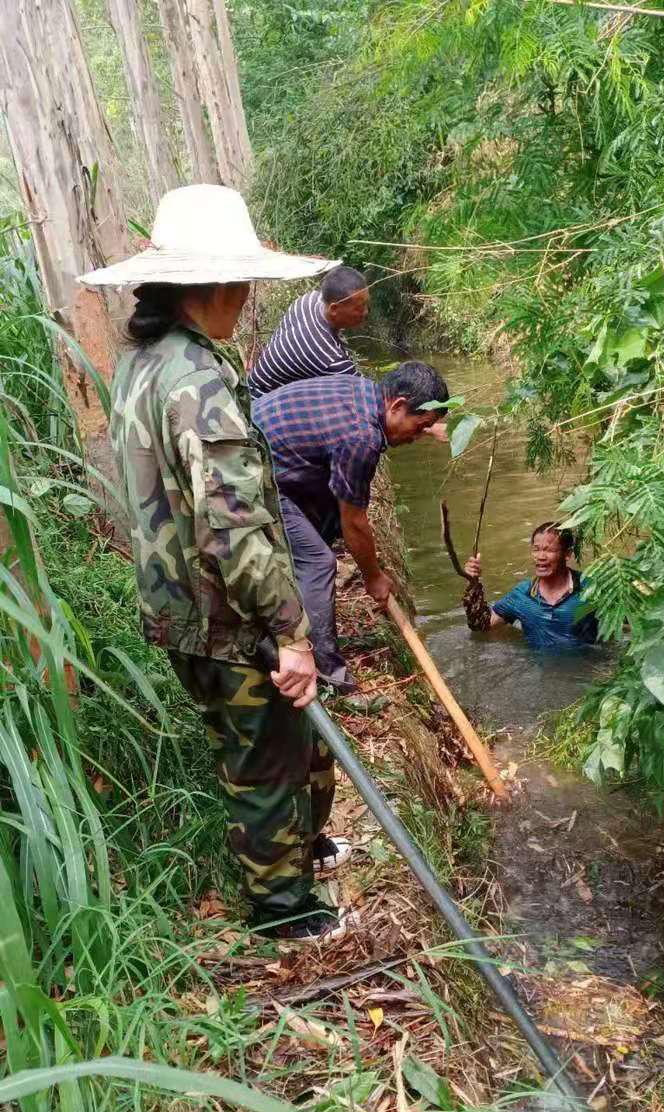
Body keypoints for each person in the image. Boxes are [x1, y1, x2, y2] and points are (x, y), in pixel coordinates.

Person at [80, 183, 354, 942]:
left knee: (266, 747)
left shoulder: (144, 362)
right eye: (244, 284)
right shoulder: (199, 383)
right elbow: (233, 532)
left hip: (173, 607)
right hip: (225, 614)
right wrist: (291, 630)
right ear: (214, 287)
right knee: (265, 762)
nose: (248, 298)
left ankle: (305, 855)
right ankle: (284, 911)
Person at [252, 363, 450, 697]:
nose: (416, 438)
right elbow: (354, 522)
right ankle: (330, 677)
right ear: (398, 406)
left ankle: (298, 600)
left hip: (270, 457)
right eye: (420, 427)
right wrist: (373, 576)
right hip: (251, 478)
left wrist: (428, 426)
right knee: (318, 563)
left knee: (325, 523)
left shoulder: (363, 393)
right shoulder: (362, 438)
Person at [463, 522, 598, 650]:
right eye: (536, 550)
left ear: (567, 554)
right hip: (538, 670)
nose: (540, 556)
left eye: (549, 550)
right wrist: (472, 584)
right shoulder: (522, 595)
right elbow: (483, 626)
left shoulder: (590, 588)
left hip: (588, 669)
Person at [248, 266, 369, 399]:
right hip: (262, 402)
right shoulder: (329, 358)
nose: (365, 312)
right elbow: (367, 394)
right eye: (359, 308)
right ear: (334, 309)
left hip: (255, 382)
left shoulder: (308, 300)